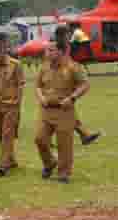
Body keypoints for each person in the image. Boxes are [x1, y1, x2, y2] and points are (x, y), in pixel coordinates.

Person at [34, 27, 90, 183]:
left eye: (51, 50)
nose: (48, 53)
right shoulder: (43, 67)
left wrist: (72, 98)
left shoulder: (72, 66)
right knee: (40, 139)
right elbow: (37, 85)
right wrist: (41, 97)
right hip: (46, 110)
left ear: (59, 52)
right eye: (47, 51)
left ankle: (63, 173)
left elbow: (85, 85)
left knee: (64, 144)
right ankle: (49, 163)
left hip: (65, 111)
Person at [0, 32, 25, 176]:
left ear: (6, 48)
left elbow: (21, 84)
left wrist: (18, 101)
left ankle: (3, 164)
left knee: (7, 134)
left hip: (11, 104)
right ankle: (11, 159)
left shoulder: (16, 65)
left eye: (2, 47)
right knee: (0, 135)